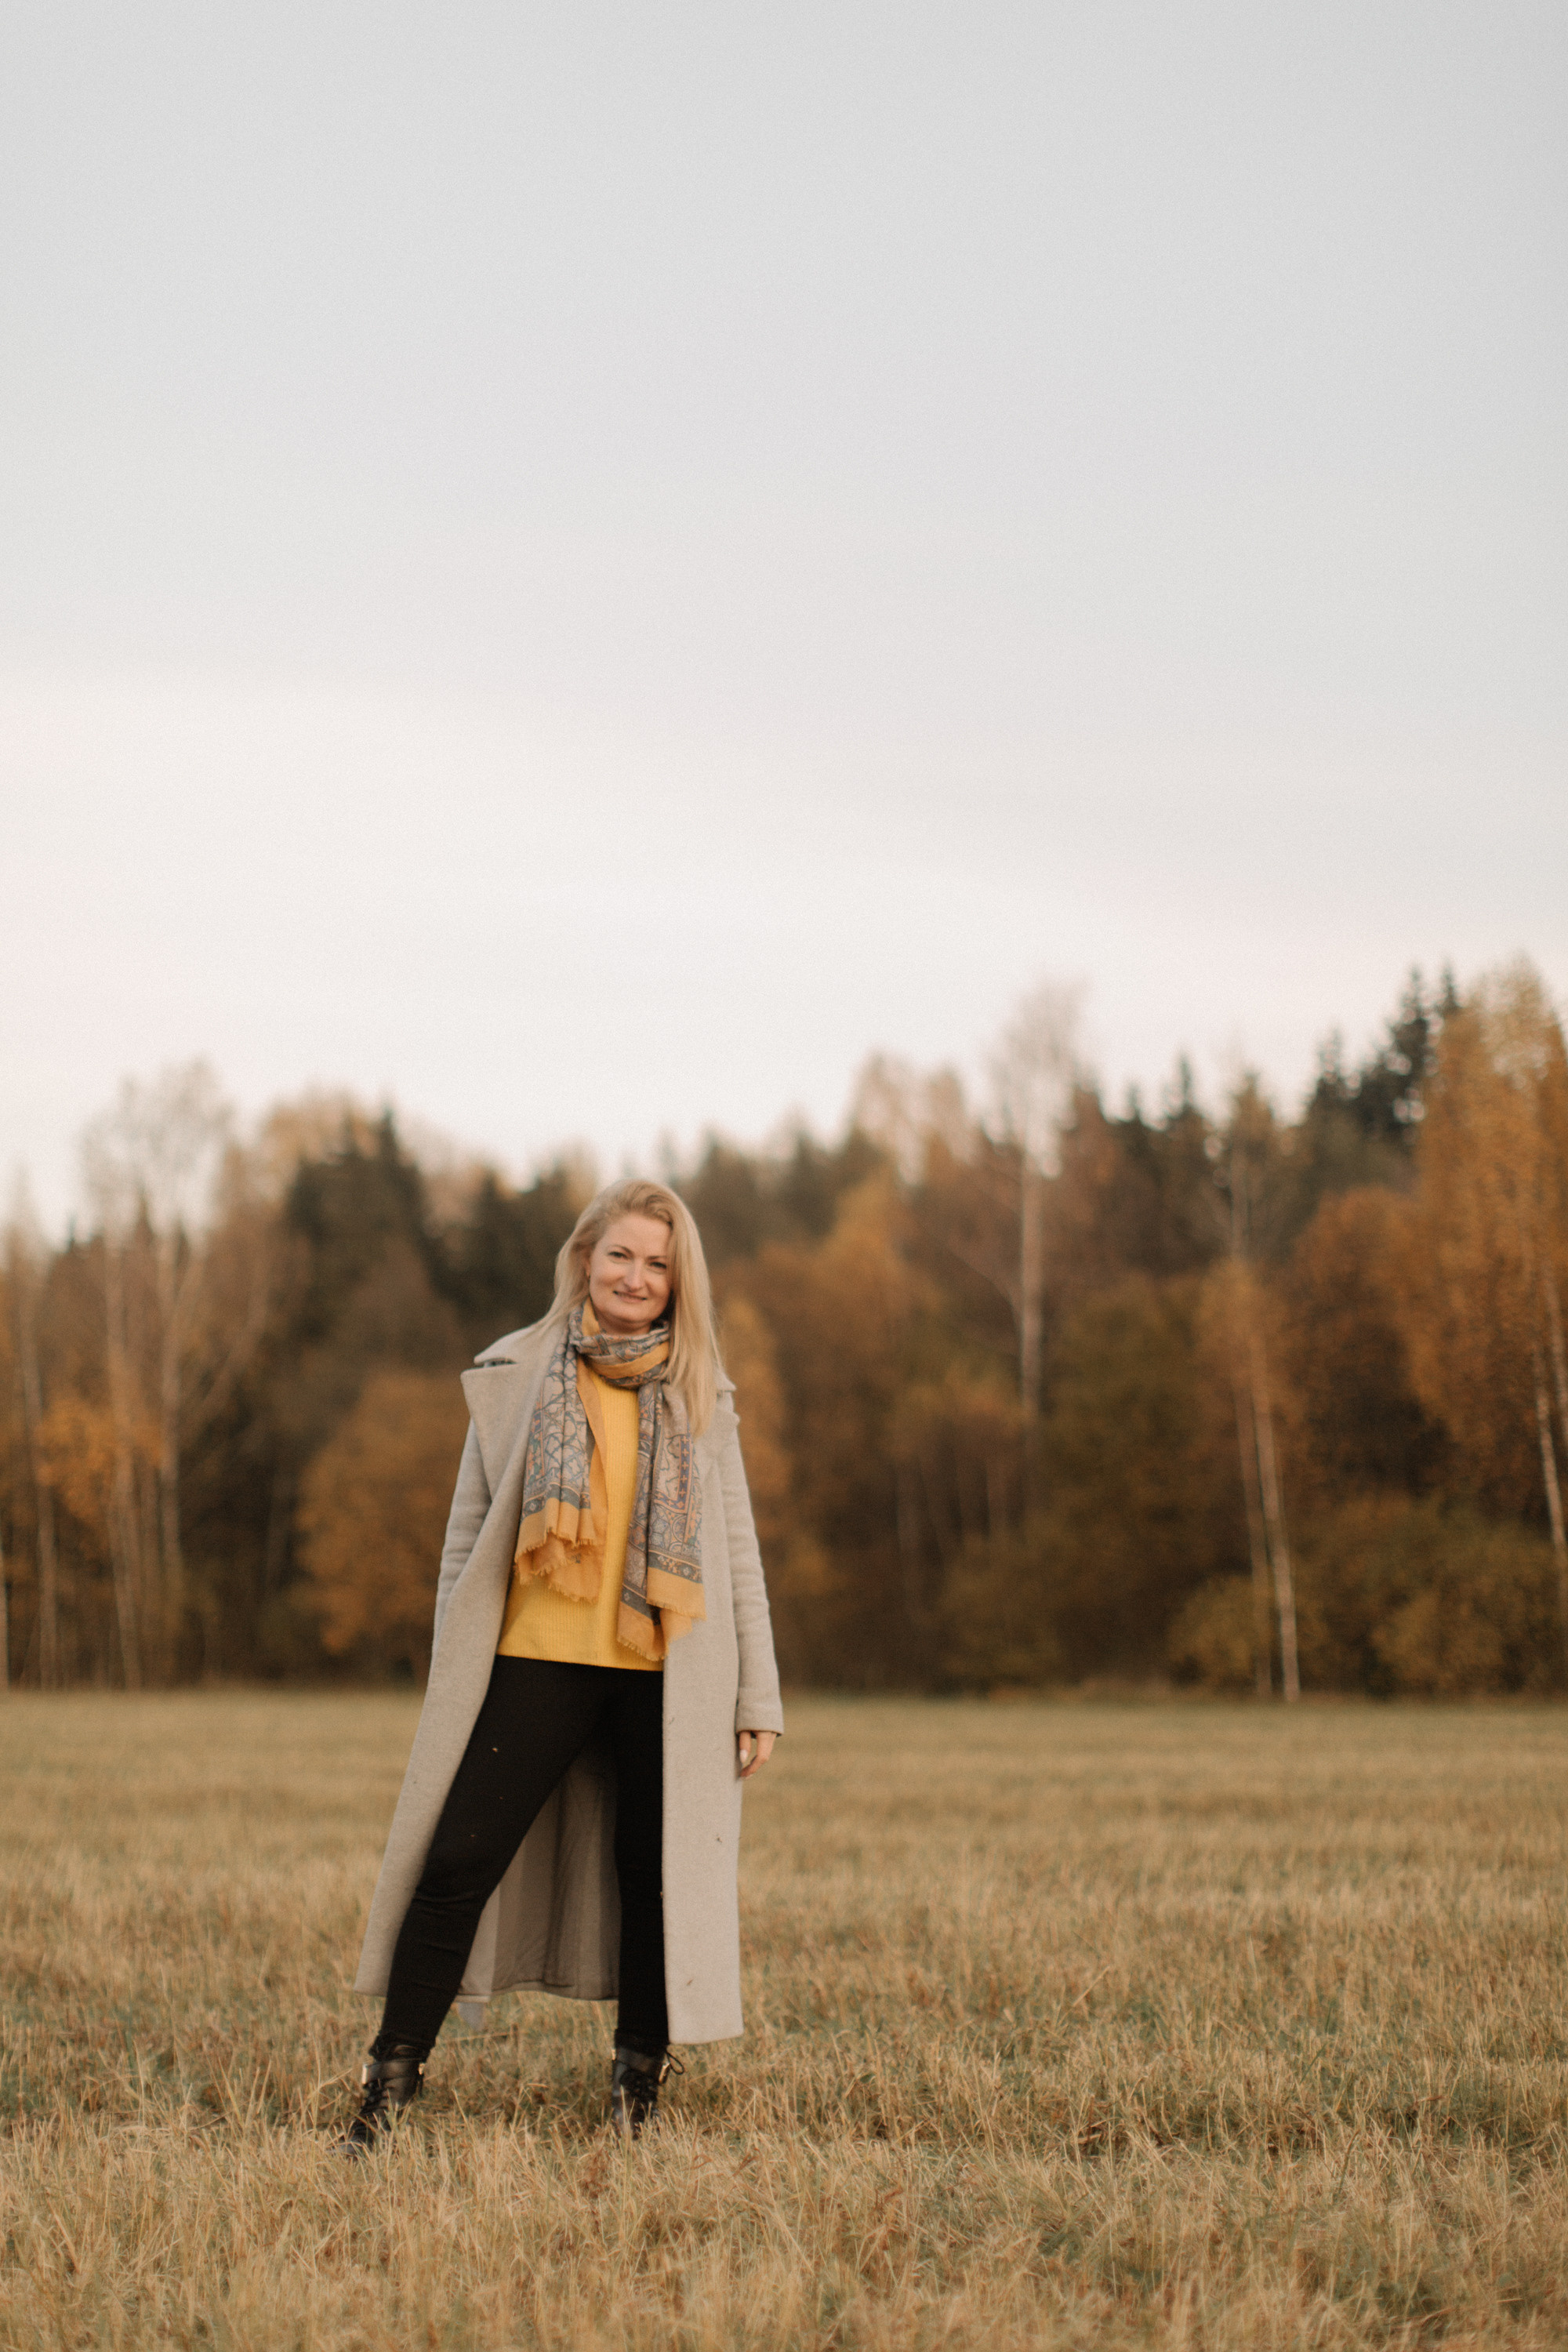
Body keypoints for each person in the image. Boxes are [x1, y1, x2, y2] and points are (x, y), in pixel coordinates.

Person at [345, 1178, 782, 2147]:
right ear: (584, 1258)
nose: (635, 1277)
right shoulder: (516, 1373)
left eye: (657, 1264)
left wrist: (757, 1695)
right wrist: (448, 1667)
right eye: (620, 1255)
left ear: (678, 1283)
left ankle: (636, 2094)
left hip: (666, 1675)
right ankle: (387, 2088)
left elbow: (736, 1552)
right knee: (455, 1860)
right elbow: (467, 1536)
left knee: (653, 1879)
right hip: (533, 1660)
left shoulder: (699, 1389)